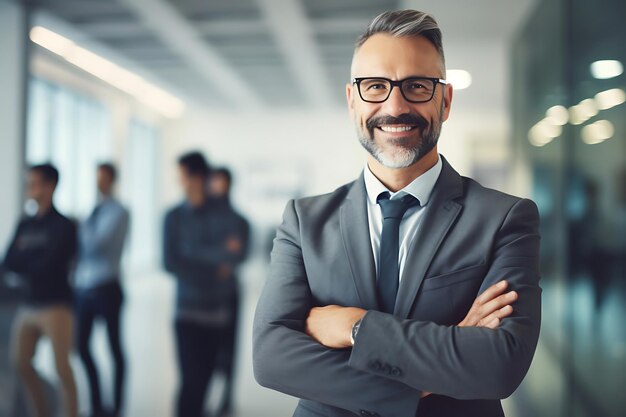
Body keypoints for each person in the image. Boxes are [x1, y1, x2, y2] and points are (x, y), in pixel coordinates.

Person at [253, 10, 541, 417]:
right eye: (375, 86)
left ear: (445, 101)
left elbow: (499, 365)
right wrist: (438, 363)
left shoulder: (504, 219)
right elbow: (271, 357)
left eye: (417, 86)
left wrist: (355, 326)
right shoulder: (304, 221)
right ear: (352, 101)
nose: (395, 105)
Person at [163, 153, 249, 417]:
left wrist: (193, 255)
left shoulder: (225, 214)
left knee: (208, 378)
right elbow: (170, 262)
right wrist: (214, 261)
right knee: (190, 381)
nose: (180, 181)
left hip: (216, 313)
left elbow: (233, 254)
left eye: (182, 175)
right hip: (186, 312)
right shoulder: (173, 216)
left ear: (197, 177)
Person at [3, 163, 78, 417]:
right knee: (20, 362)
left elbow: (51, 264)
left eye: (34, 183)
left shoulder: (64, 226)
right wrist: (31, 260)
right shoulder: (25, 223)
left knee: (62, 370)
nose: (29, 188)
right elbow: (9, 261)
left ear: (49, 186)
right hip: (29, 304)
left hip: (56, 305)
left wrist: (27, 257)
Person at [74, 163, 129, 417]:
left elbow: (97, 245)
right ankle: (96, 403)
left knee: (114, 347)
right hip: (85, 286)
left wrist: (78, 227)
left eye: (103, 178)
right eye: (97, 177)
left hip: (108, 285)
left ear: (112, 180)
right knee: (81, 346)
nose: (99, 182)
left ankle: (116, 406)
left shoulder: (119, 211)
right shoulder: (92, 211)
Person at [208, 167, 250, 417]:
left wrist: (219, 256)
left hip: (229, 291)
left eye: (220, 182)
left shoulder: (238, 220)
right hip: (207, 292)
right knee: (208, 350)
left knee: (229, 348)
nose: (216, 187)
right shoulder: (203, 218)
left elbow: (238, 254)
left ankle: (226, 397)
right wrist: (221, 252)